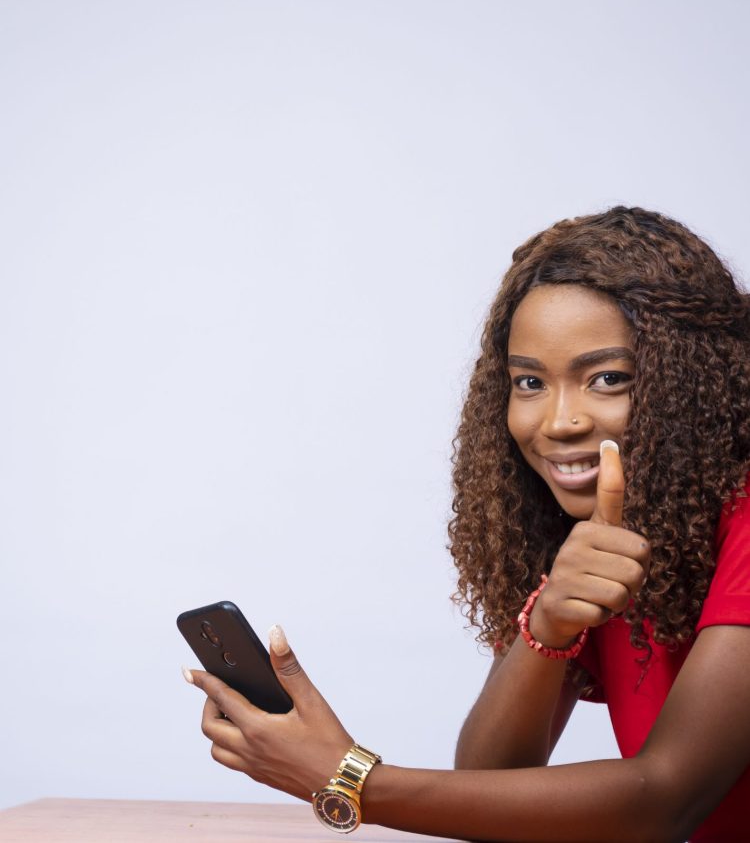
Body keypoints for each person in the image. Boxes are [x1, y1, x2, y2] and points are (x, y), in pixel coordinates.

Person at [183, 206, 750, 842]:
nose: (560, 421)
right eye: (530, 382)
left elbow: (668, 800)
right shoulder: (593, 528)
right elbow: (491, 776)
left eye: (607, 378)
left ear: (695, 380)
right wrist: (548, 624)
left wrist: (348, 778)